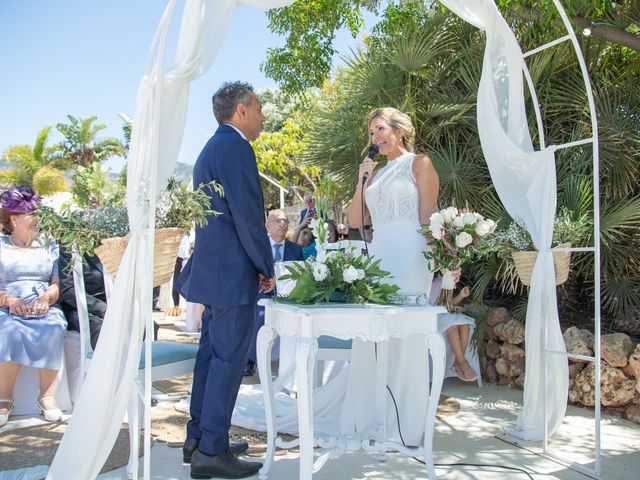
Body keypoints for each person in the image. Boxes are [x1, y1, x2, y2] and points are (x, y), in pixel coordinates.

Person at [346, 107, 473, 446]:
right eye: (372, 132)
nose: (376, 137)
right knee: (375, 334)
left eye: (381, 128)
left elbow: (428, 215)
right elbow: (355, 217)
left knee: (408, 334)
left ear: (399, 130)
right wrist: (362, 180)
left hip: (412, 253)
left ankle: (407, 418)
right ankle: (373, 414)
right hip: (380, 253)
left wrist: (445, 260)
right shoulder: (374, 172)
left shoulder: (421, 163)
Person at [182, 81, 275, 479]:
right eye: (257, 108)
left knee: (211, 357)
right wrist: (266, 267)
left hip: (212, 270)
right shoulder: (237, 147)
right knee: (228, 361)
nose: (262, 116)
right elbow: (248, 217)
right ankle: (212, 451)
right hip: (233, 273)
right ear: (241, 109)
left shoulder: (209, 148)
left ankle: (199, 438)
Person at [0, 186, 66, 426]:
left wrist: (46, 299)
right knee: (7, 331)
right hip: (7, 307)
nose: (37, 220)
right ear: (14, 218)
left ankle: (47, 396)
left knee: (55, 327)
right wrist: (9, 300)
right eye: (32, 215)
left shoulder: (49, 245)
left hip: (42, 306)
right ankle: (4, 398)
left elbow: (56, 284)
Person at [244, 209, 303, 376]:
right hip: (262, 293)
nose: (283, 224)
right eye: (278, 220)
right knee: (260, 315)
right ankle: (251, 360)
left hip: (288, 297)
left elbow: (300, 274)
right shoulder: (258, 248)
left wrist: (279, 279)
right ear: (267, 225)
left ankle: (292, 366)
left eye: (285, 221)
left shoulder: (295, 250)